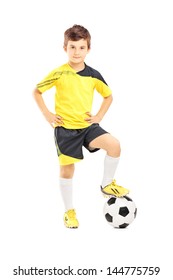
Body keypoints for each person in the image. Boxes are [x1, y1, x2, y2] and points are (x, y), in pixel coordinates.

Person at [33, 24, 129, 228]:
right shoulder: (59, 73)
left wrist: (98, 117)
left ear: (88, 49)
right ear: (65, 48)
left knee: (114, 145)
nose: (77, 52)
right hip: (65, 130)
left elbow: (108, 96)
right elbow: (37, 92)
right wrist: (48, 114)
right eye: (72, 47)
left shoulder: (93, 74)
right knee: (67, 171)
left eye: (81, 47)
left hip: (86, 127)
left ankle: (106, 185)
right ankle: (69, 212)